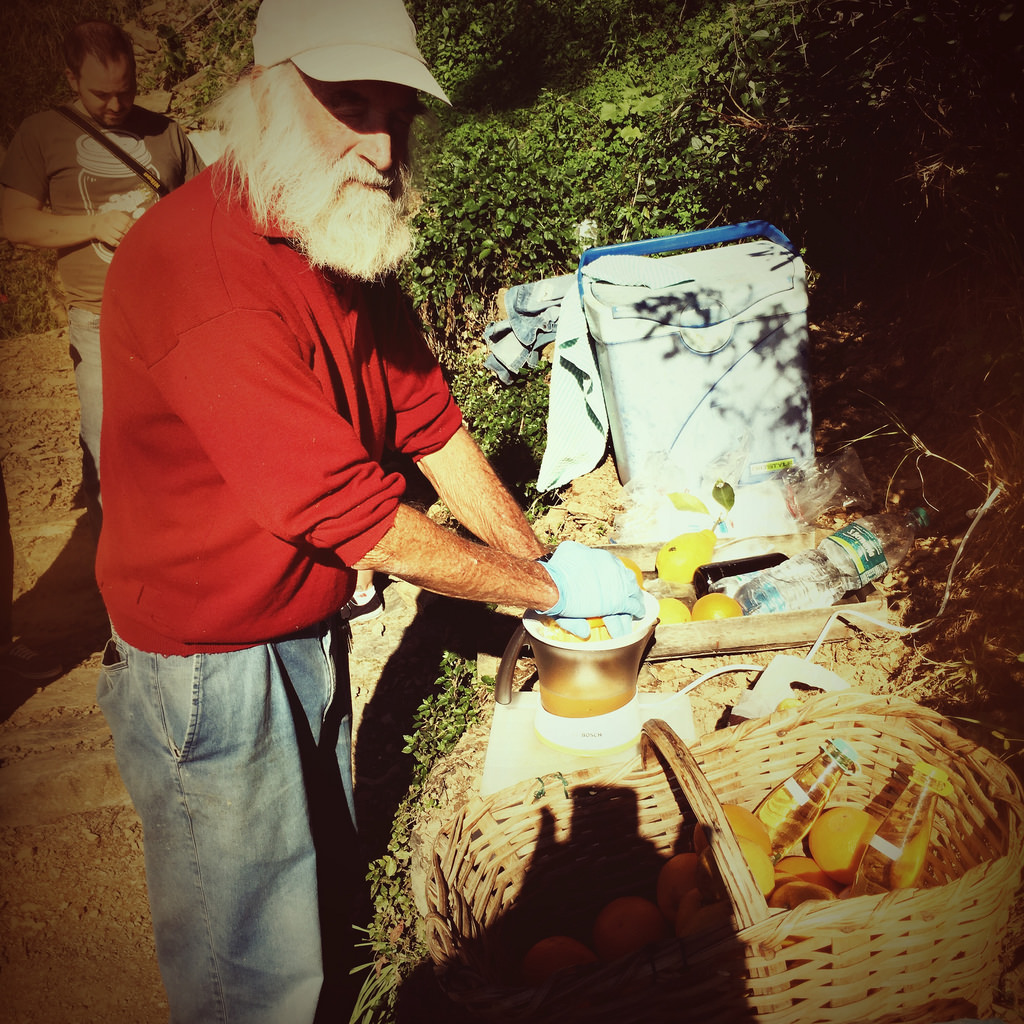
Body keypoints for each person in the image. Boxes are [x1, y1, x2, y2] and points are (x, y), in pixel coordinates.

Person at [93, 0, 646, 1020]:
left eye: (394, 112)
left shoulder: (334, 233)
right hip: (208, 660)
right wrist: (545, 596)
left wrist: (540, 563)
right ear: (259, 101)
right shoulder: (199, 265)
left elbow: (426, 420)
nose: (379, 144)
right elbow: (346, 511)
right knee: (251, 961)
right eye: (346, 104)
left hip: (298, 623)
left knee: (314, 905)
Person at [0, 19, 204, 533]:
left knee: (189, 446)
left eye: (126, 90)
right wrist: (95, 224)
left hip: (176, 321)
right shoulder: (40, 133)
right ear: (71, 78)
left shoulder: (167, 133)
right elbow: (15, 221)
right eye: (100, 94)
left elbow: (205, 214)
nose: (115, 107)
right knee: (111, 454)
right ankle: (123, 588)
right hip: (98, 325)